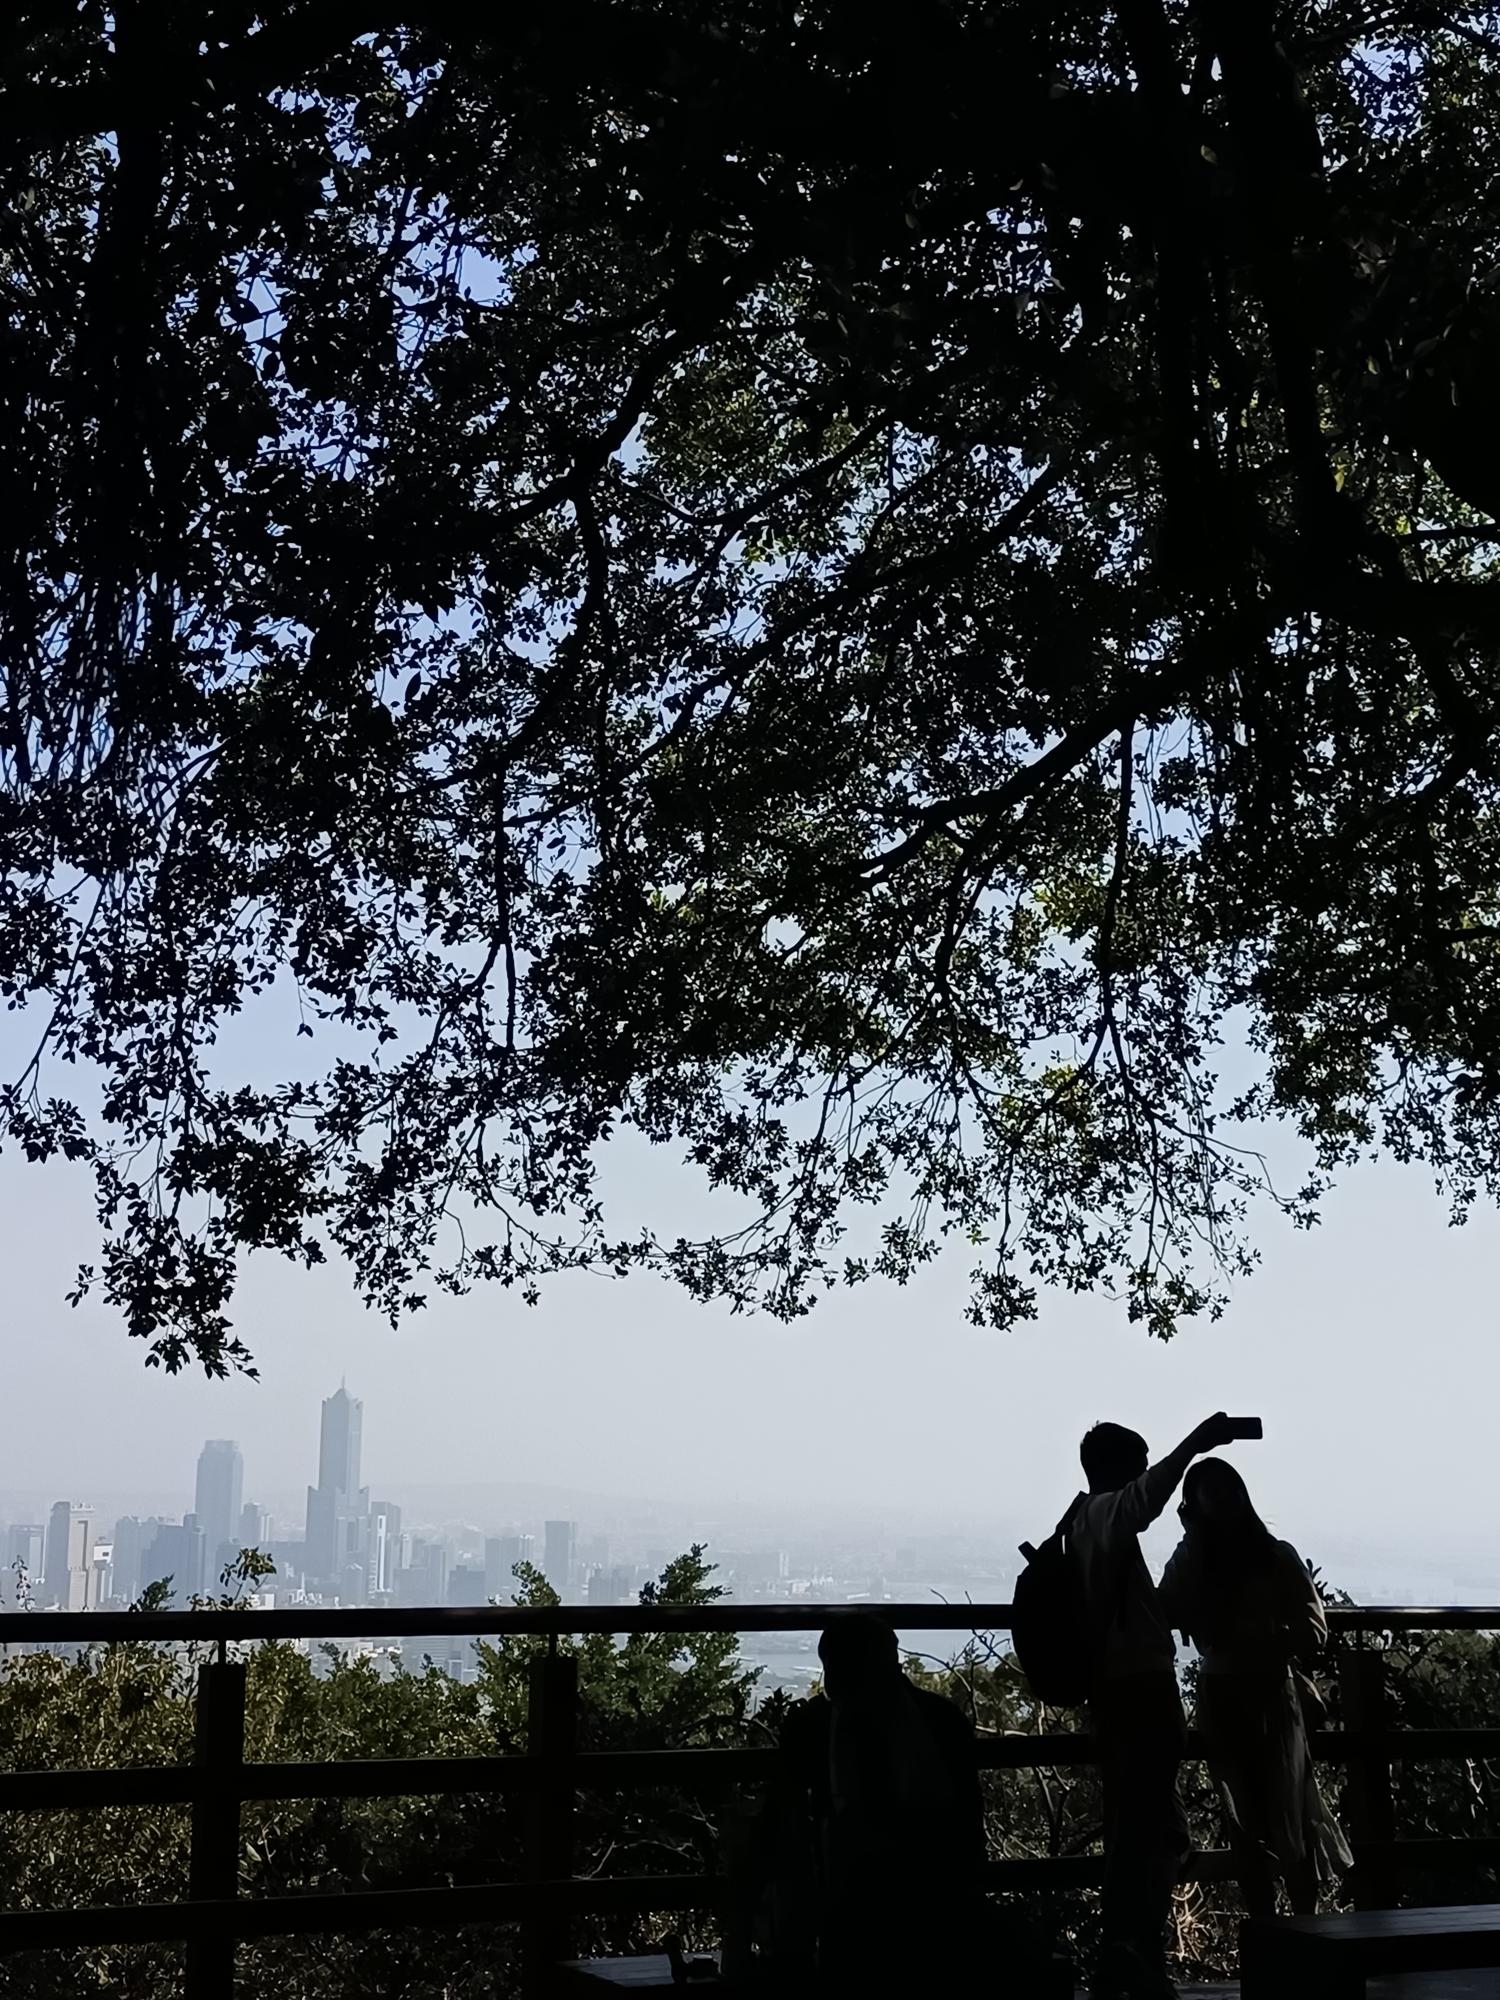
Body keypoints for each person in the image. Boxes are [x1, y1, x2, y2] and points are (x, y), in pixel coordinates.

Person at [1071, 1412, 1240, 2000]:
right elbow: (1145, 1498)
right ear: (1119, 1470)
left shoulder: (1082, 1524)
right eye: (1138, 1467)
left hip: (1118, 1692)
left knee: (1148, 1829)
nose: (1146, 1476)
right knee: (1145, 1833)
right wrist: (1197, 1442)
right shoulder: (1105, 1515)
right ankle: (1131, 1954)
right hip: (1139, 1693)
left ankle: (1129, 1954)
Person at [1158, 1458, 1352, 1918]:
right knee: (1243, 1815)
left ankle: (1301, 1921)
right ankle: (1274, 1922)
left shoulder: (1274, 1556)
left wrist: (1261, 1637)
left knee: (1286, 1811)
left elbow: (1313, 1629)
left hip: (1267, 1694)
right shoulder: (1195, 1559)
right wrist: (1192, 1545)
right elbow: (1166, 1607)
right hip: (1230, 1695)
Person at [769, 1612, 985, 1992]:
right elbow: (968, 1822)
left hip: (845, 1901)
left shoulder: (813, 1725)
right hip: (934, 1897)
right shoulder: (941, 1721)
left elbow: (783, 1819)